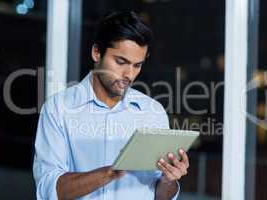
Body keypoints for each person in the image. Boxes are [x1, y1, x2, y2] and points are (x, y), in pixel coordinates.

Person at [33, 10, 189, 200]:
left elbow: (160, 195)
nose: (129, 75)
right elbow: (48, 190)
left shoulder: (152, 112)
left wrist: (169, 180)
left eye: (137, 65)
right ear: (96, 53)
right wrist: (110, 173)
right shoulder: (58, 109)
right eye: (120, 62)